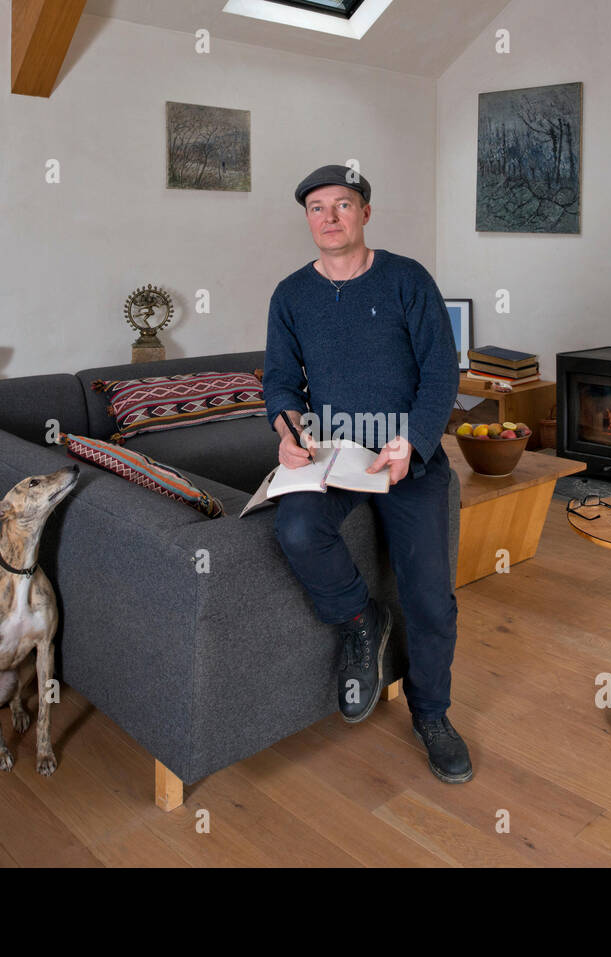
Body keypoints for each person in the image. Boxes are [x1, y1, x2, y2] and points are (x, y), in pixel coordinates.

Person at [262, 164, 472, 783]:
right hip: (335, 453)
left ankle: (432, 715)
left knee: (430, 597)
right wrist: (289, 431)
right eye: (317, 208)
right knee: (296, 529)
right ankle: (361, 620)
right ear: (307, 218)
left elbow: (441, 373)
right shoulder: (290, 294)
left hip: (409, 455)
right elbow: (280, 381)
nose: (329, 218)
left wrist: (413, 440)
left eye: (343, 205)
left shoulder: (408, 279)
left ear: (365, 214)